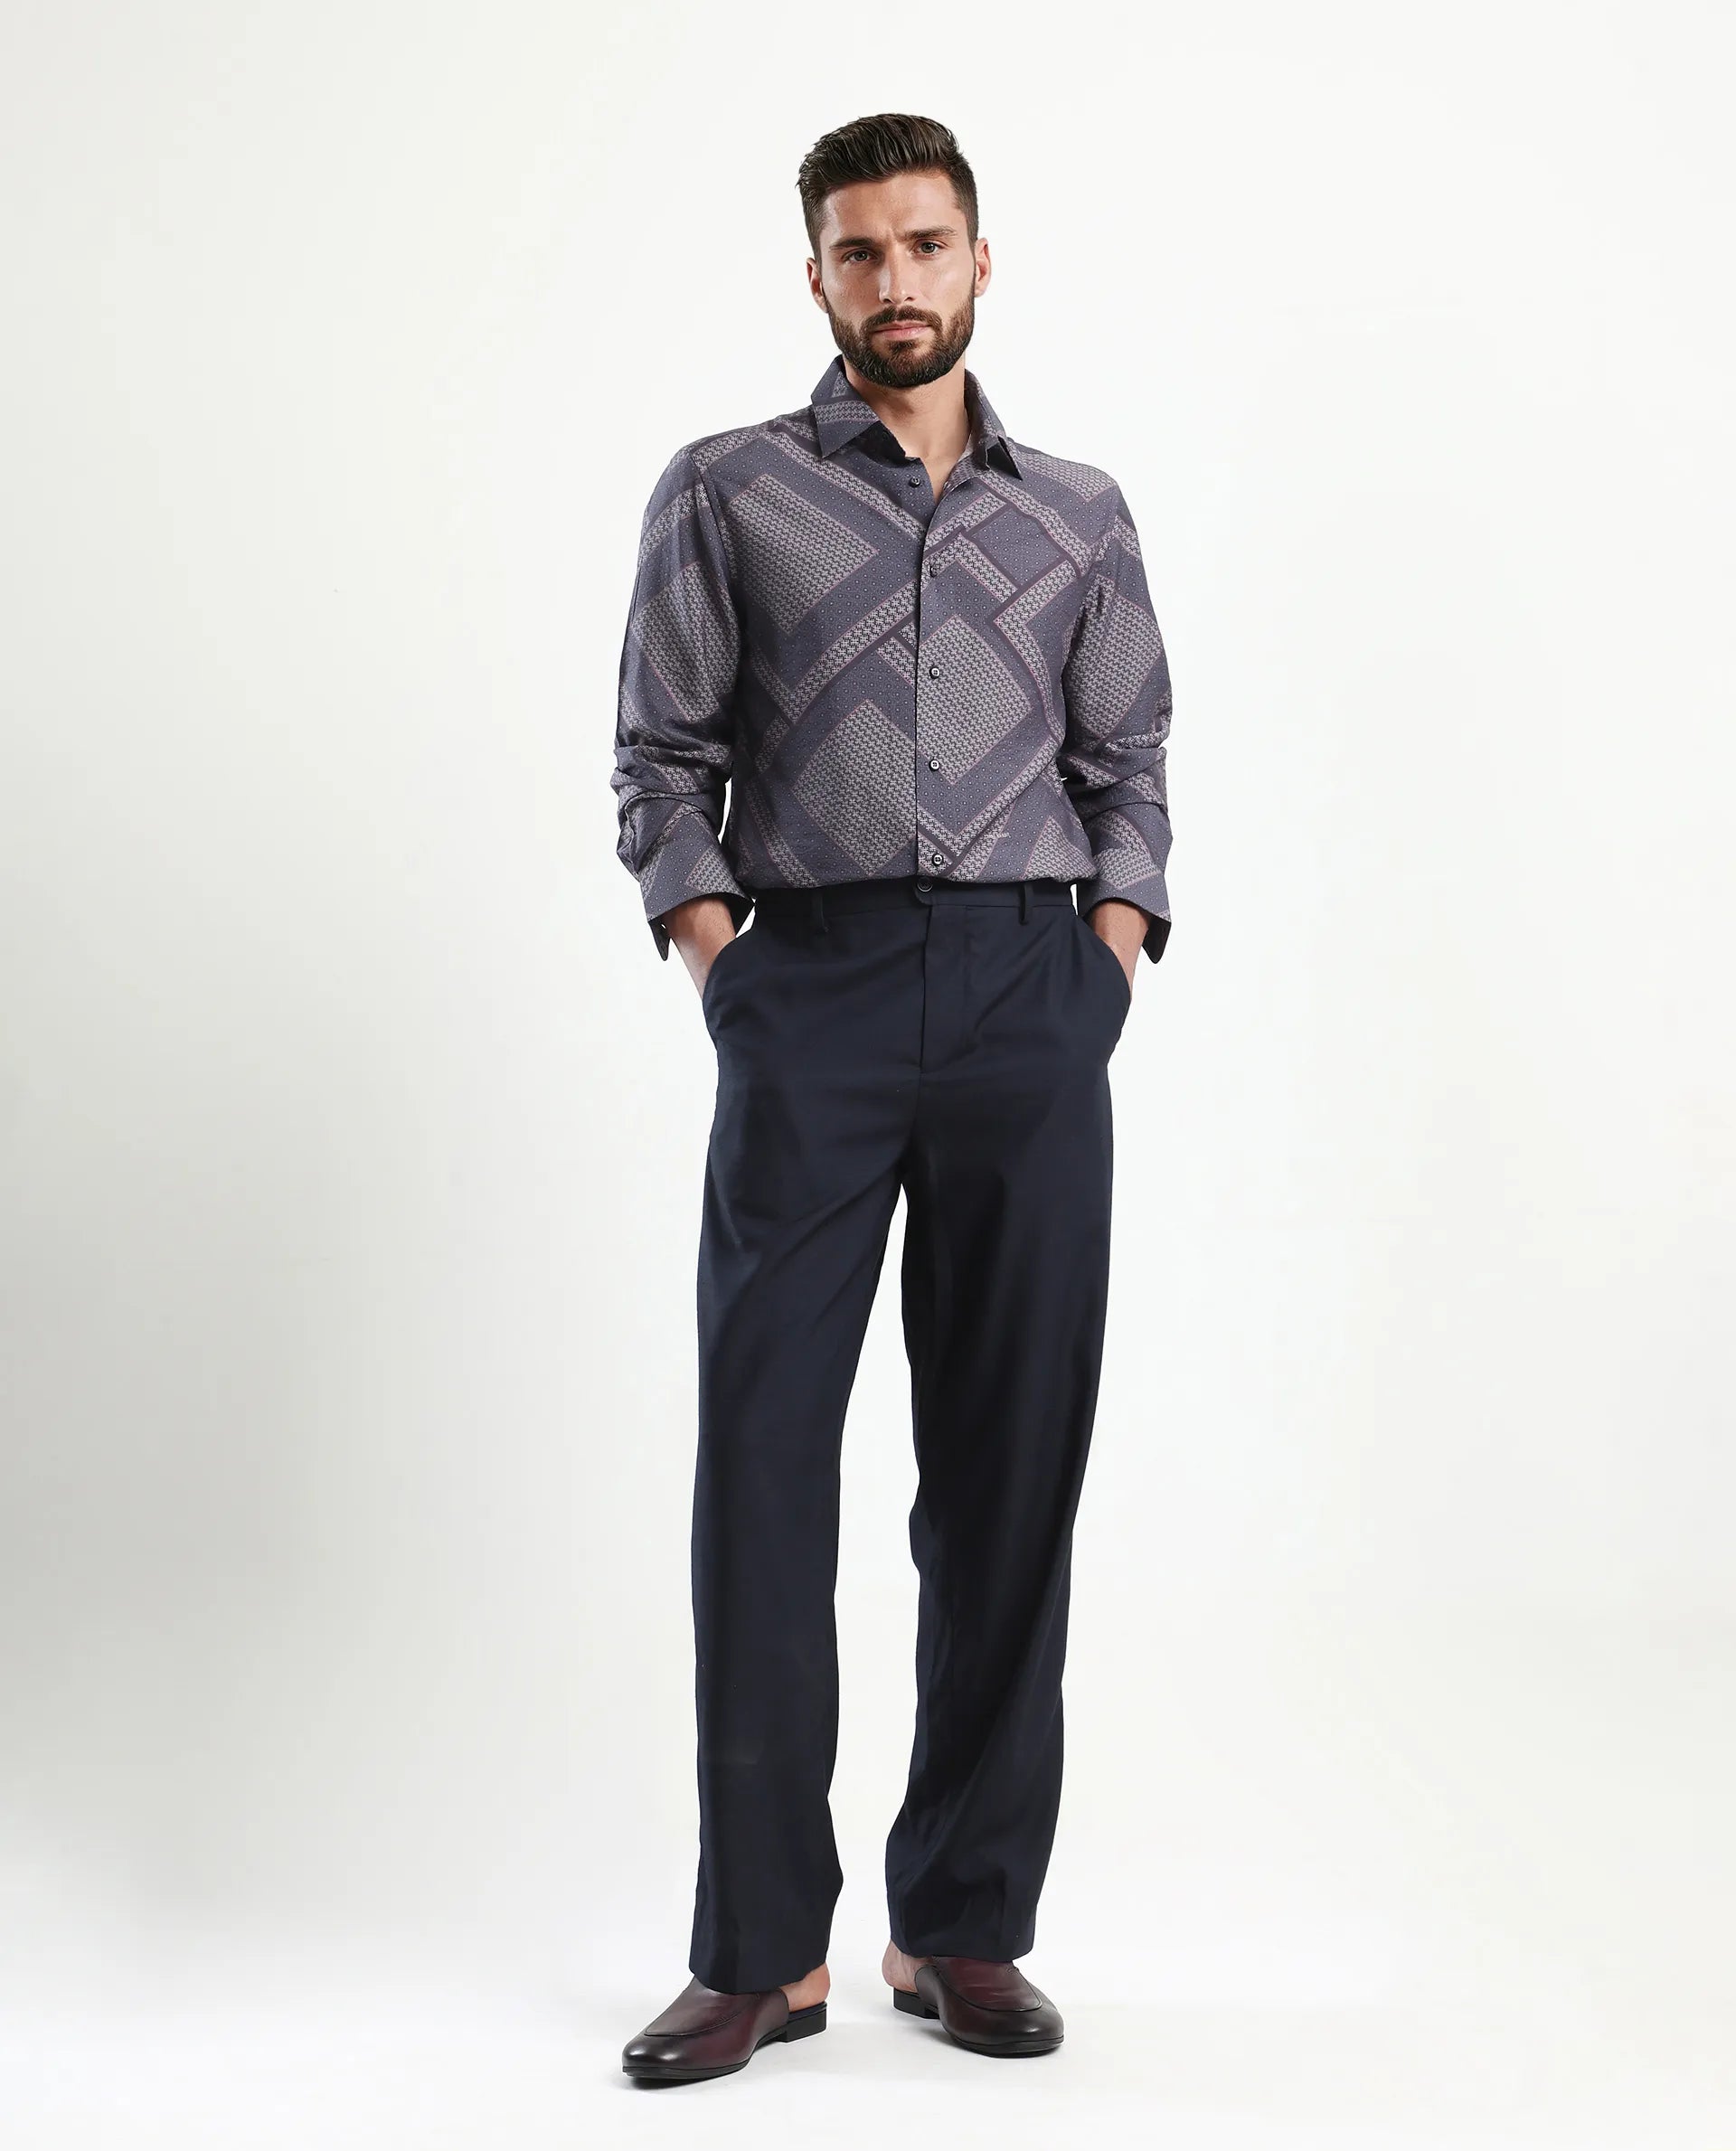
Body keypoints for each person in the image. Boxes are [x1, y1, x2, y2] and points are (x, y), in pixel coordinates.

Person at [611, 111, 1174, 2083]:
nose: (897, 280)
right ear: (819, 279)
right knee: (763, 1466)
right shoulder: (729, 488)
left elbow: (1130, 757)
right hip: (815, 991)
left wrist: (1107, 954)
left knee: (1010, 1470)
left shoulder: (1077, 513)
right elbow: (661, 757)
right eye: (860, 252)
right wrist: (730, 972)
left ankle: (962, 1923)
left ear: (980, 259)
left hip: (1031, 995)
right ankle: (761, 1951)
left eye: (926, 244)